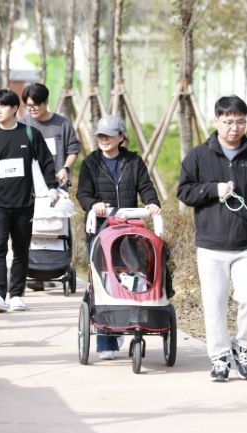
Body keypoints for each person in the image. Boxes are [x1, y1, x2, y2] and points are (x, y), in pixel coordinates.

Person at [177, 95, 247, 382]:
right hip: (211, 246)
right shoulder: (199, 155)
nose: (235, 128)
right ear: (216, 121)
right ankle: (220, 357)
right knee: (215, 304)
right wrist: (214, 190)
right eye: (228, 122)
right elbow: (184, 192)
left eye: (240, 122)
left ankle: (242, 347)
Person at [76, 115, 161, 360]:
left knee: (131, 275)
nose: (104, 140)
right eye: (100, 136)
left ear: (121, 137)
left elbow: (146, 186)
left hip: (128, 230)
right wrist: (94, 204)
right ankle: (106, 340)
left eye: (109, 136)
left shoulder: (133, 161)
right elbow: (83, 194)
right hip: (100, 229)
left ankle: (130, 323)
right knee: (104, 280)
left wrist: (152, 202)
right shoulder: (90, 163)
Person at [0, 89, 58, 313]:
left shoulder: (30, 135)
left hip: (24, 203)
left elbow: (46, 161)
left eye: (3, 106)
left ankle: (16, 295)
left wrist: (52, 187)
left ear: (15, 108)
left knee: (21, 250)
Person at [21, 83, 80, 189]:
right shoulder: (22, 125)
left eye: (36, 104)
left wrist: (65, 168)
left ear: (46, 102)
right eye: (29, 105)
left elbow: (73, 150)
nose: (32, 108)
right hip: (30, 186)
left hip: (57, 183)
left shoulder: (63, 124)